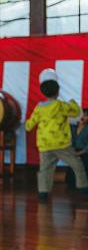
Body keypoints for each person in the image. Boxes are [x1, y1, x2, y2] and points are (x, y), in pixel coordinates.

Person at [25, 68, 88, 201]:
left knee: (45, 170)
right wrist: (72, 102)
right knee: (77, 164)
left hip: (44, 145)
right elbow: (76, 112)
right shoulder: (61, 106)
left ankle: (43, 193)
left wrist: (26, 124)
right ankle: (83, 188)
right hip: (61, 144)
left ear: (42, 91)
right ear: (58, 91)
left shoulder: (39, 108)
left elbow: (29, 125)